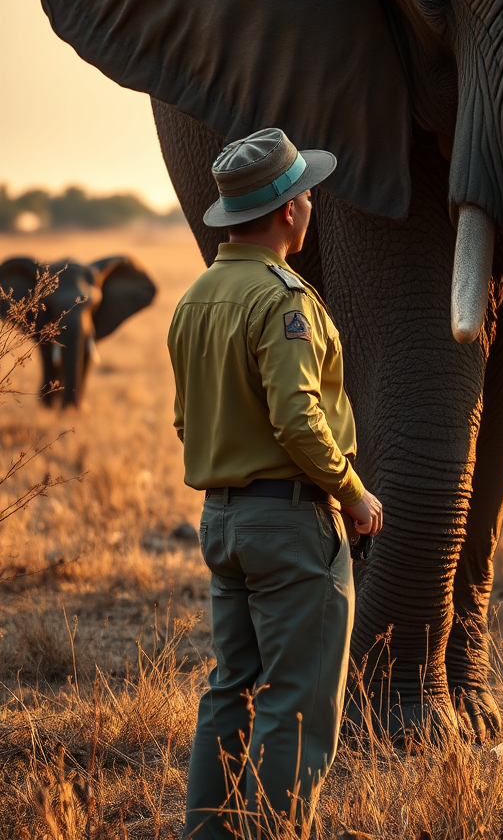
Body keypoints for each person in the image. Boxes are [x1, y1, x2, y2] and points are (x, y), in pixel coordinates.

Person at [168, 127, 382, 839]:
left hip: (222, 522)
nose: (313, 201)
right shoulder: (286, 301)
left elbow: (184, 421)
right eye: (308, 192)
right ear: (289, 211)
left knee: (229, 688)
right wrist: (351, 491)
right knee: (296, 703)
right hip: (290, 525)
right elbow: (298, 418)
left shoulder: (194, 298)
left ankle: (209, 832)